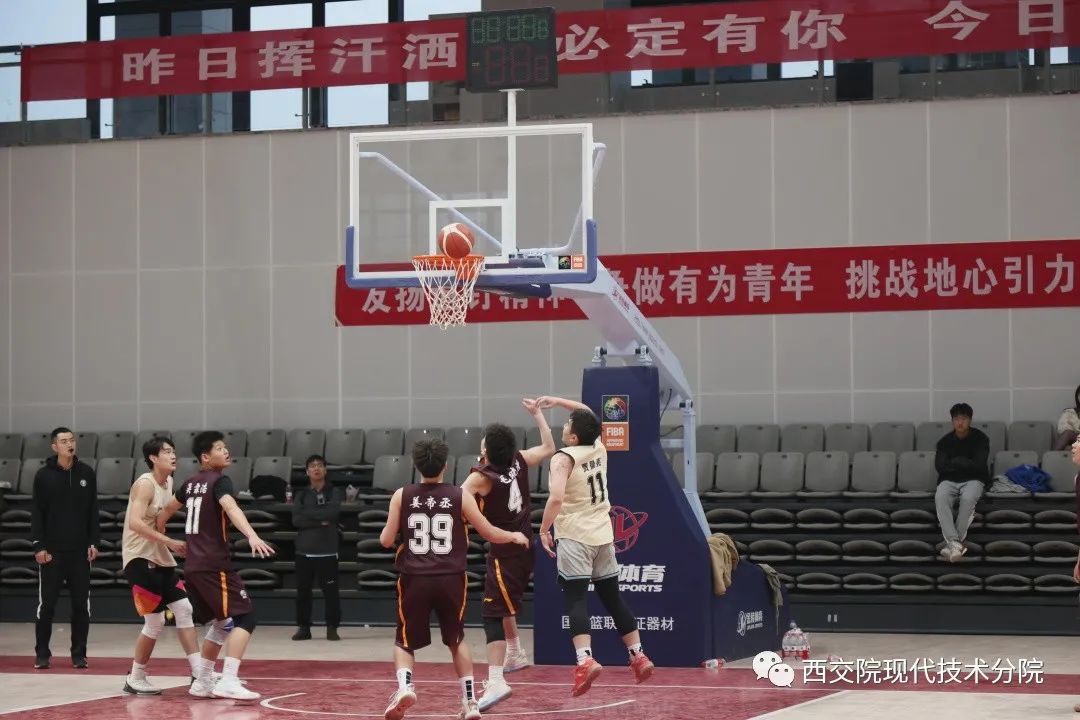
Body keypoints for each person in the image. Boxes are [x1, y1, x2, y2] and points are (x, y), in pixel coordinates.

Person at [380, 439, 530, 720]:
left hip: (414, 578)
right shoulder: (460, 496)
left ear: (416, 466)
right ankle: (470, 702)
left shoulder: (402, 495)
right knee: (456, 639)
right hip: (451, 578)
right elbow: (488, 532)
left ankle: (404, 687)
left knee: (404, 641)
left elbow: (386, 540)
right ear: (446, 466)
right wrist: (513, 535)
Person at [535, 396, 654, 697]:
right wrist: (556, 401)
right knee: (613, 598)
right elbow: (587, 413)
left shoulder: (563, 458)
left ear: (574, 437)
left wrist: (544, 528)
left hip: (575, 536)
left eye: (567, 424)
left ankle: (585, 660)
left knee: (576, 600)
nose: (565, 425)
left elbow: (556, 499)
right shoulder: (598, 446)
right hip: (603, 535)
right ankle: (638, 655)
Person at [157, 430, 275, 700]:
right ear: (205, 457)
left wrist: (164, 538)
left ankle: (203, 681)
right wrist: (252, 535)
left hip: (193, 567)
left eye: (225, 447)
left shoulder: (189, 484)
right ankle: (229, 680)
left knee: (222, 623)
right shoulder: (220, 481)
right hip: (213, 564)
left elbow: (165, 512)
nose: (226, 452)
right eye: (220, 448)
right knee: (246, 617)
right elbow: (231, 508)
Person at [460, 400, 556, 712]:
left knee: (491, 614)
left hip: (506, 551)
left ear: (487, 451)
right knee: (503, 605)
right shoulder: (520, 459)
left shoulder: (481, 478)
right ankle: (515, 652)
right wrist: (538, 415)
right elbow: (549, 447)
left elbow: (458, 497)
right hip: (525, 546)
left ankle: (496, 679)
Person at [120, 435, 202, 695]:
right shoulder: (145, 484)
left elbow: (159, 517)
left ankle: (199, 674)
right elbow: (135, 523)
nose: (173, 455)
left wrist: (164, 528)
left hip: (159, 556)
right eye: (166, 451)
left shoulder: (169, 482)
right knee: (155, 621)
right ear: (153, 458)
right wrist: (169, 541)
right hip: (139, 558)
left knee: (184, 608)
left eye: (173, 451)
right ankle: (135, 677)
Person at [30, 427, 99, 670]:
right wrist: (39, 545)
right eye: (64, 441)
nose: (70, 444)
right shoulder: (43, 476)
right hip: (52, 552)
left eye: (72, 440)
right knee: (47, 606)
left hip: (80, 552)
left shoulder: (87, 473)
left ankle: (79, 654)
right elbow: (37, 512)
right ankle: (42, 654)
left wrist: (94, 541)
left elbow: (93, 510)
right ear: (54, 446)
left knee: (81, 606)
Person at [291, 454, 342, 641]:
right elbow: (296, 520)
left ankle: (332, 627)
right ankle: (304, 627)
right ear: (307, 471)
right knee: (303, 592)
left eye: (319, 465)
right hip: (304, 551)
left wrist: (309, 515)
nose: (316, 468)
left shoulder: (334, 492)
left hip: (327, 550)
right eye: (312, 466)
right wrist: (321, 521)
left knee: (331, 592)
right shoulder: (301, 494)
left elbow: (333, 513)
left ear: (325, 470)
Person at [934, 403, 990, 563]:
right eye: (956, 419)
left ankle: (952, 544)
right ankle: (956, 544)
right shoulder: (944, 442)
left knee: (968, 499)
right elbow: (940, 467)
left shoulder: (981, 439)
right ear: (952, 421)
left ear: (970, 420)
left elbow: (979, 465)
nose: (960, 422)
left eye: (964, 419)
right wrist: (966, 462)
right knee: (940, 497)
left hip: (974, 479)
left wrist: (954, 462)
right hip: (948, 480)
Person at [1054, 385, 1080, 450]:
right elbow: (1062, 429)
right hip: (1073, 439)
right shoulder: (1070, 412)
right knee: (1068, 434)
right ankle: (1053, 455)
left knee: (1068, 449)